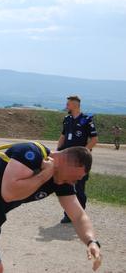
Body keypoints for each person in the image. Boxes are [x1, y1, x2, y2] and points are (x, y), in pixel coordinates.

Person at [0, 142, 102, 273]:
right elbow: (9, 193)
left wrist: (91, 242)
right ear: (70, 163)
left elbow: (78, 216)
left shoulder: (61, 180)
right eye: (76, 177)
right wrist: (44, 175)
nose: (73, 182)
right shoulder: (30, 153)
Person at [57, 95, 98, 224]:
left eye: (68, 104)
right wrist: (58, 152)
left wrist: (84, 153)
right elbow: (63, 136)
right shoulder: (67, 119)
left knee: (79, 187)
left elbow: (94, 139)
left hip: (80, 160)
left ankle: (79, 215)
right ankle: (68, 214)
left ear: (75, 105)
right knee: (66, 187)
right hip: (66, 158)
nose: (66, 106)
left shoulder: (86, 120)